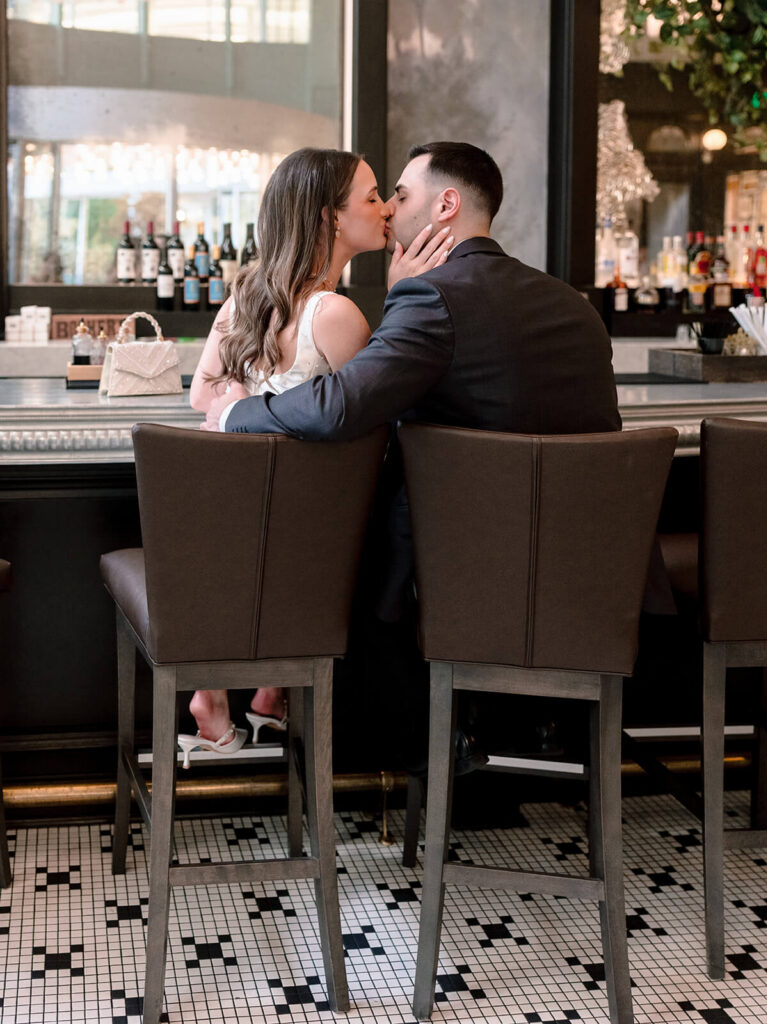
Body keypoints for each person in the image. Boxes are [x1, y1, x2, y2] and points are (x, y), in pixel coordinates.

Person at [204, 141, 622, 771]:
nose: (391, 210)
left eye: (398, 193)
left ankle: (373, 752)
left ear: (446, 204)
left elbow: (339, 405)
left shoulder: (432, 297)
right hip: (592, 575)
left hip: (462, 580)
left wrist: (236, 413)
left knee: (366, 537)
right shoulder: (574, 306)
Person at [179, 146, 451, 767]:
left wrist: (249, 398)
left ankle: (240, 696)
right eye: (373, 196)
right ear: (331, 218)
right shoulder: (333, 313)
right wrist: (407, 299)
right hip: (310, 550)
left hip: (233, 533)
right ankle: (274, 692)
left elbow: (202, 394)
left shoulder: (246, 296)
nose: (387, 208)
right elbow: (377, 416)